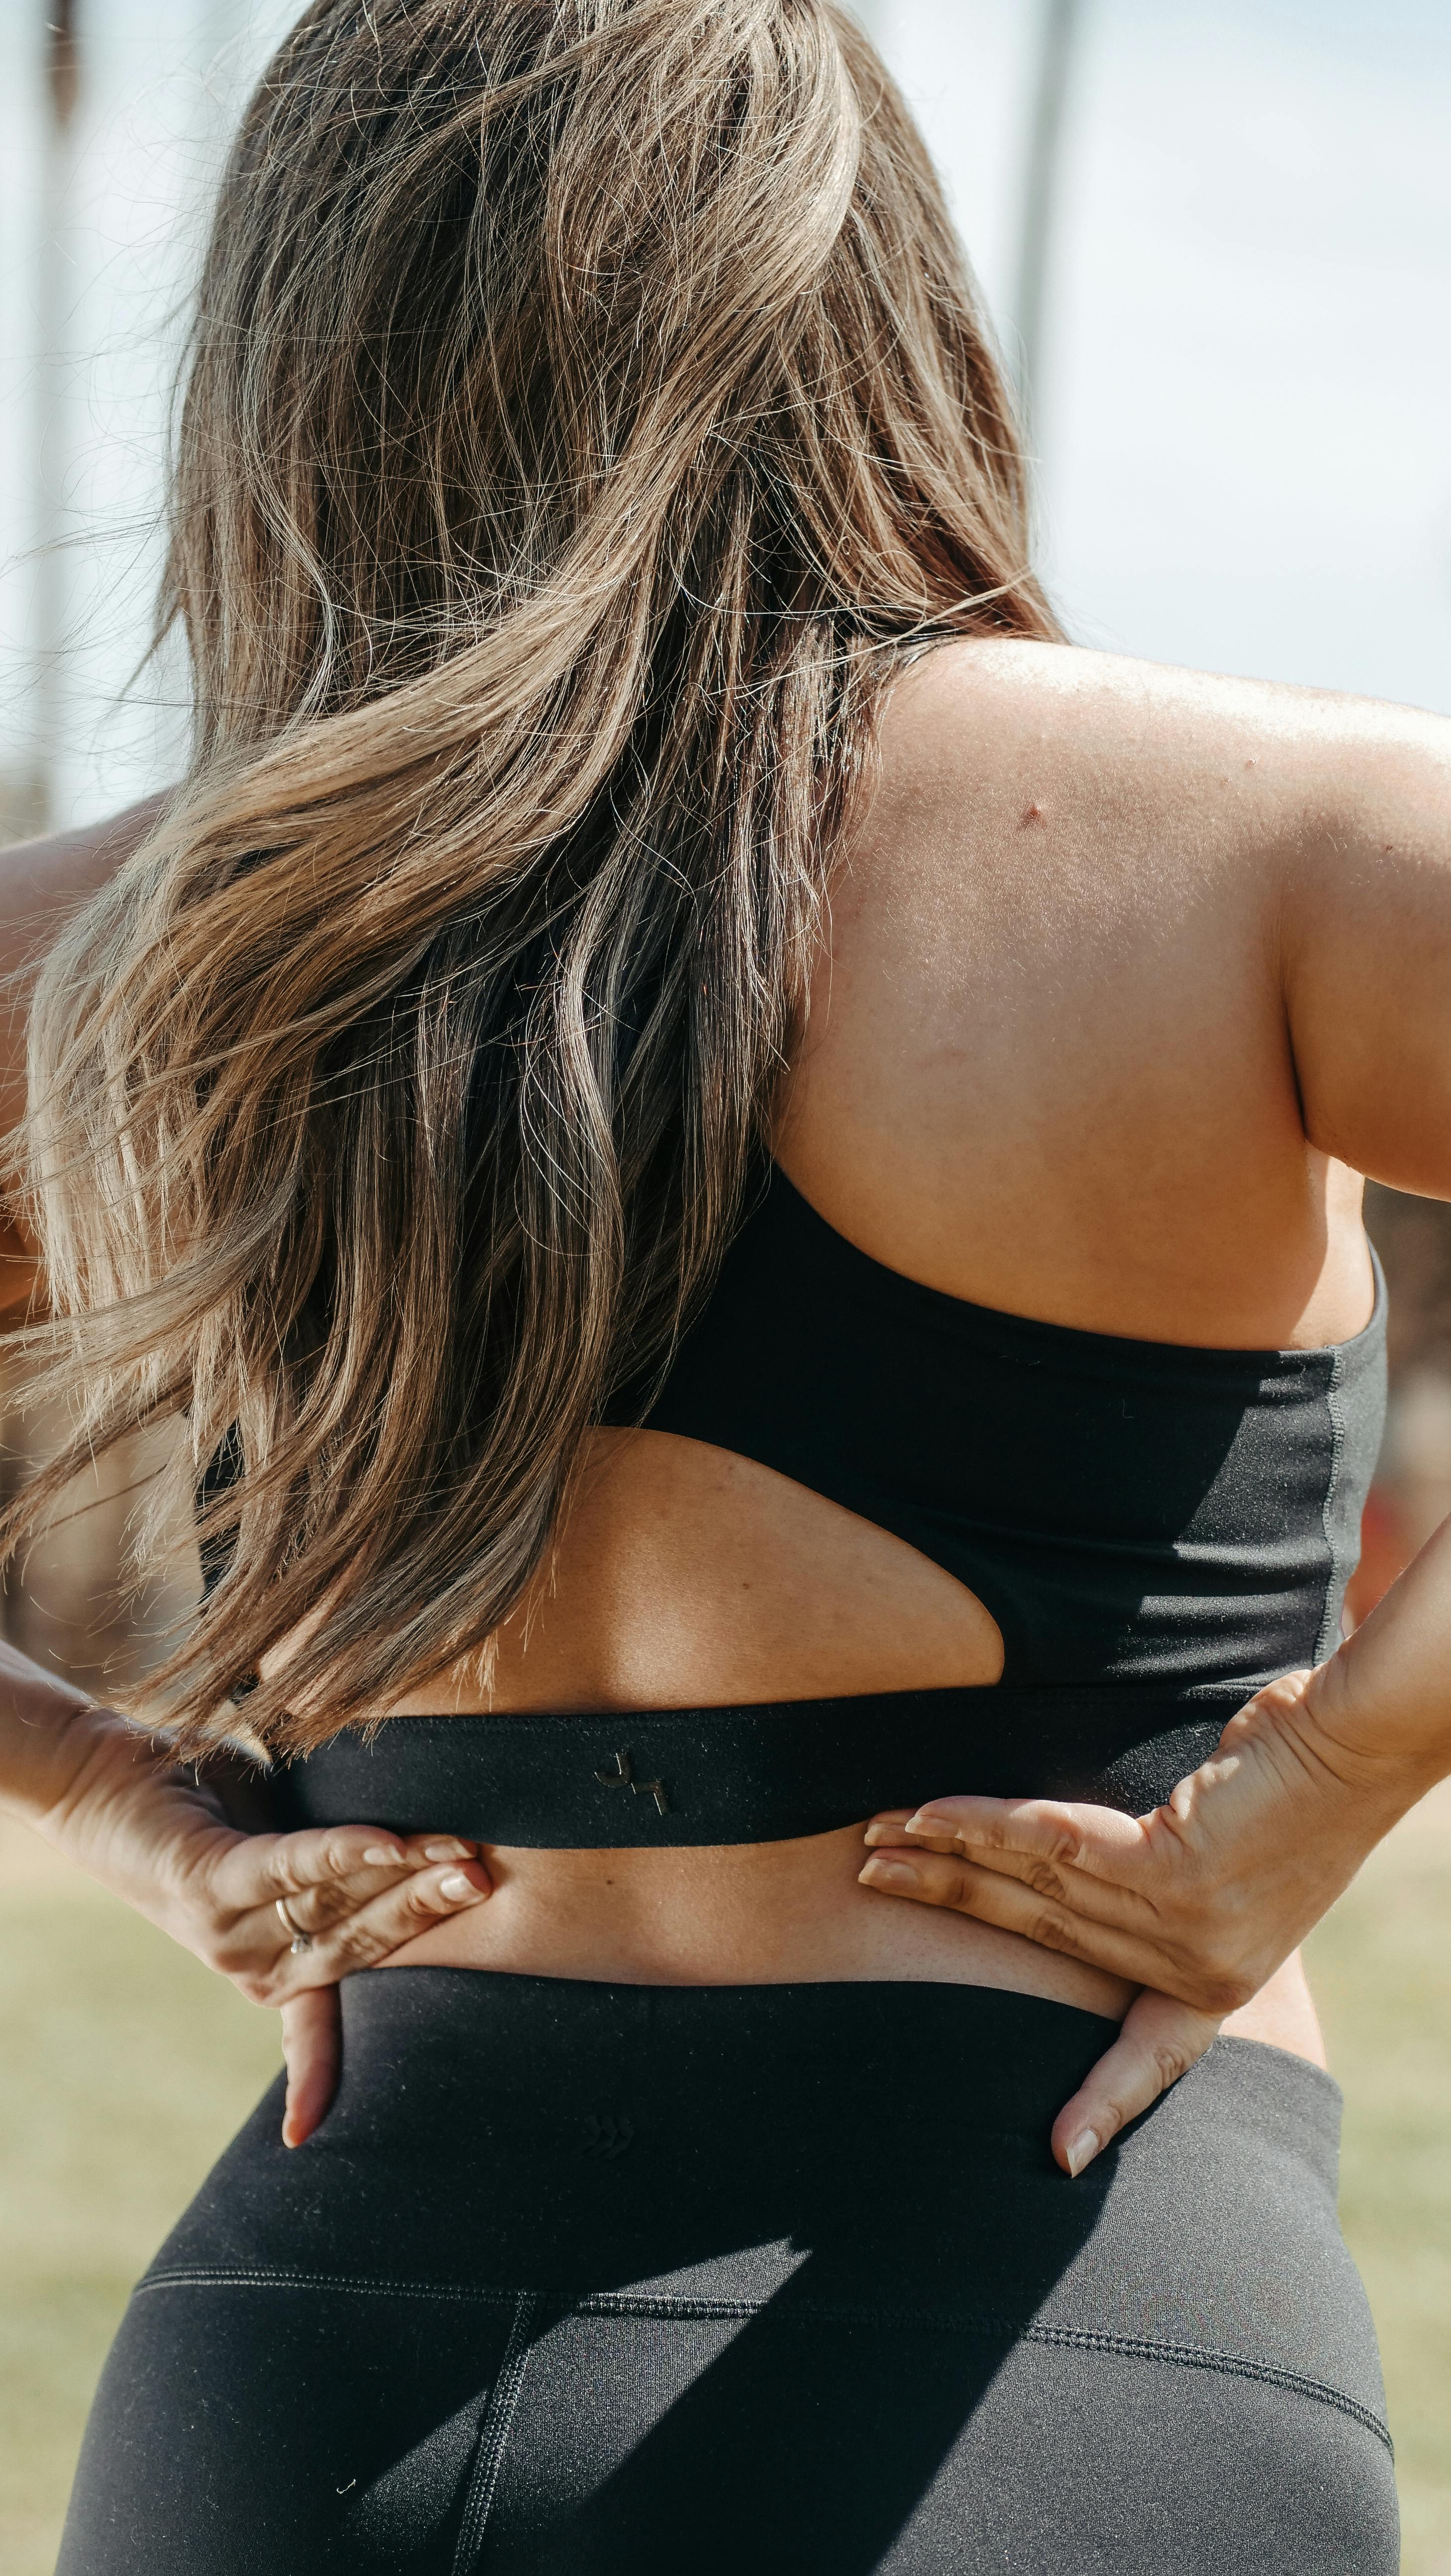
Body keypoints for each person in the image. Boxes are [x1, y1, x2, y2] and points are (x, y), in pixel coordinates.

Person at [2, 1, 1447, 2566]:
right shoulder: (1271, 844)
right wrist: (1322, 1783)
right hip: (1073, 2360)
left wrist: (119, 1799)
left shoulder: (117, 950)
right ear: (861, 291)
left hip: (311, 2399)